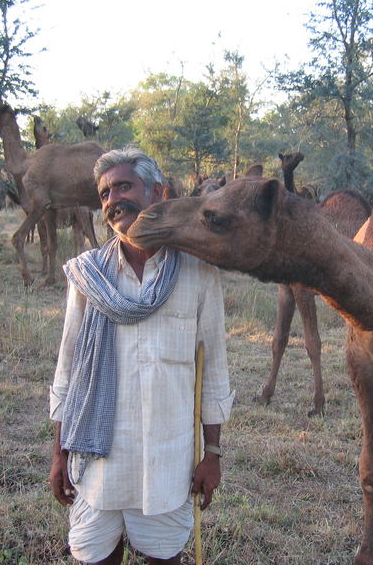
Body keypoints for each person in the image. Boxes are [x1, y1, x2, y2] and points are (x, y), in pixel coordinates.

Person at [48, 147, 234, 565]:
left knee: (165, 558)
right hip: (98, 466)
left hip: (166, 467)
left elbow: (215, 369)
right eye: (105, 193)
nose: (113, 199)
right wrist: (59, 452)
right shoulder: (87, 276)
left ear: (157, 192)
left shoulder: (198, 271)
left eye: (124, 186)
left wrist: (213, 454)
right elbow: (68, 370)